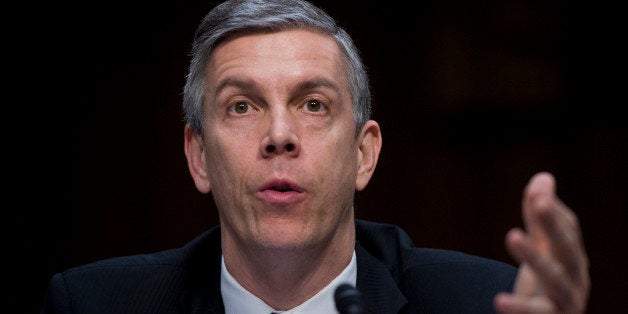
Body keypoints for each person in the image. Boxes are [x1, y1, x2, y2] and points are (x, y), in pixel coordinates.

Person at [41, 0, 590, 313]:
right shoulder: (92, 306)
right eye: (241, 106)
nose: (280, 135)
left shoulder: (482, 306)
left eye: (312, 104)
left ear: (363, 154)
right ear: (199, 156)